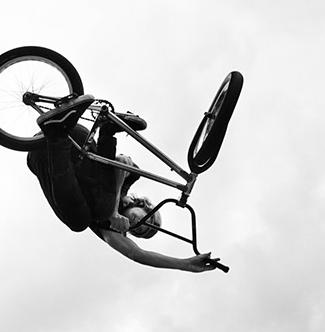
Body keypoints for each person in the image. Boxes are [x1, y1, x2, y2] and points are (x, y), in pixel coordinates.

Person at [27, 97, 219, 272]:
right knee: (108, 201)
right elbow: (122, 161)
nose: (138, 225)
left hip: (47, 156)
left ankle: (57, 132)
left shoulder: (109, 228)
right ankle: (108, 128)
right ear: (145, 208)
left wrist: (185, 264)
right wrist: (113, 211)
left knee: (80, 222)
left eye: (139, 231)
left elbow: (138, 255)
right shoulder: (127, 181)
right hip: (76, 137)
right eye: (146, 222)